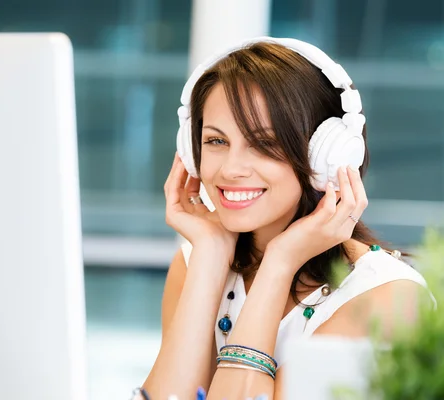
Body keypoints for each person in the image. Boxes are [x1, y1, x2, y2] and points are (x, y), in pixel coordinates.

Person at [138, 37, 432, 400]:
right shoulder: (197, 260)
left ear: (326, 158)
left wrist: (279, 262)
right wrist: (210, 258)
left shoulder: (384, 297)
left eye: (264, 144)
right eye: (216, 141)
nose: (231, 169)